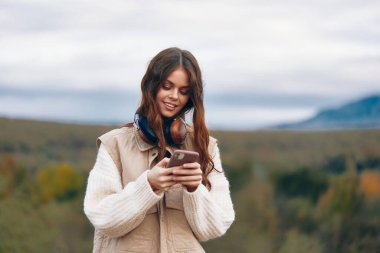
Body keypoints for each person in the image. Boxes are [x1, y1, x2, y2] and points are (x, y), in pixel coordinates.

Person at [84, 47, 235, 253]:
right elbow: (104, 220)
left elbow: (215, 227)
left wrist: (194, 190)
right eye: (167, 86)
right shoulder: (114, 145)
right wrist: (148, 186)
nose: (174, 96)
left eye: (183, 91)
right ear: (151, 86)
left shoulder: (205, 146)